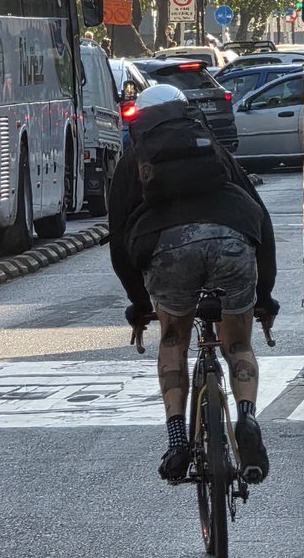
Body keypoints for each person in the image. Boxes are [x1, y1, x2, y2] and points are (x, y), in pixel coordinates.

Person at [108, 84, 279, 484]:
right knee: (238, 345)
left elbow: (119, 241)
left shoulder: (133, 159)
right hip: (231, 240)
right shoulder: (212, 146)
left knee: (173, 343)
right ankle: (247, 418)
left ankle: (177, 441)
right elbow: (261, 219)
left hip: (168, 251)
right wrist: (264, 297)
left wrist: (139, 304)